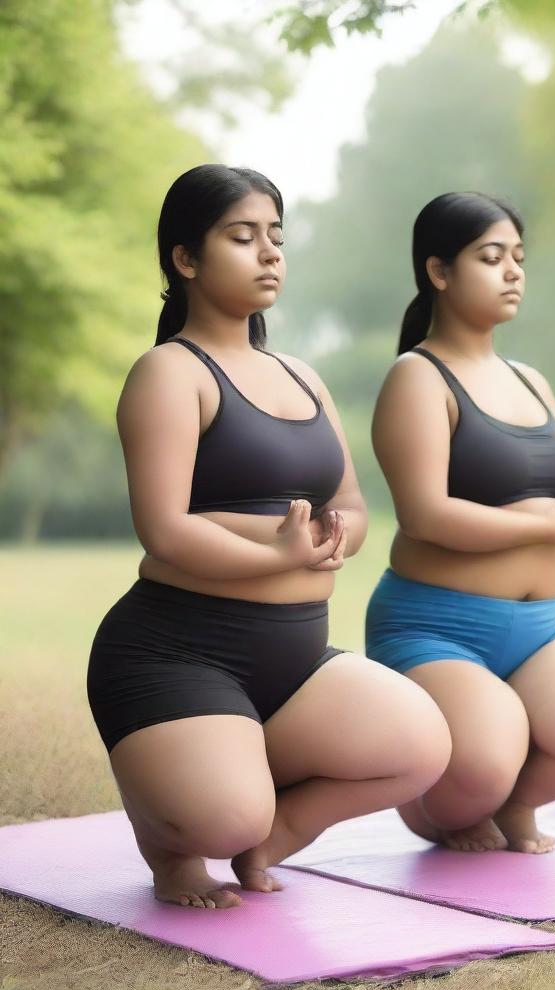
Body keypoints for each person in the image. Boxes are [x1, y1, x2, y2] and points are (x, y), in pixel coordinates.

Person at [87, 165, 451, 908]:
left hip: (292, 660)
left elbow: (348, 498)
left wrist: (336, 537)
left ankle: (270, 834)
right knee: (221, 815)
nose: (269, 254)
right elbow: (163, 529)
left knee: (423, 746)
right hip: (174, 654)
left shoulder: (302, 376)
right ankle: (172, 836)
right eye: (243, 237)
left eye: (276, 238)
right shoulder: (168, 373)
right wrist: (274, 553)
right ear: (185, 259)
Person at [367, 192, 555, 854]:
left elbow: (547, 492)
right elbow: (424, 515)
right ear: (439, 271)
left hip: (541, 627)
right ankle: (436, 806)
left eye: (518, 257)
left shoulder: (533, 380)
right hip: (437, 626)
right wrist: (541, 527)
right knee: (485, 759)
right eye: (491, 257)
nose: (513, 270)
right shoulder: (418, 377)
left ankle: (508, 804)